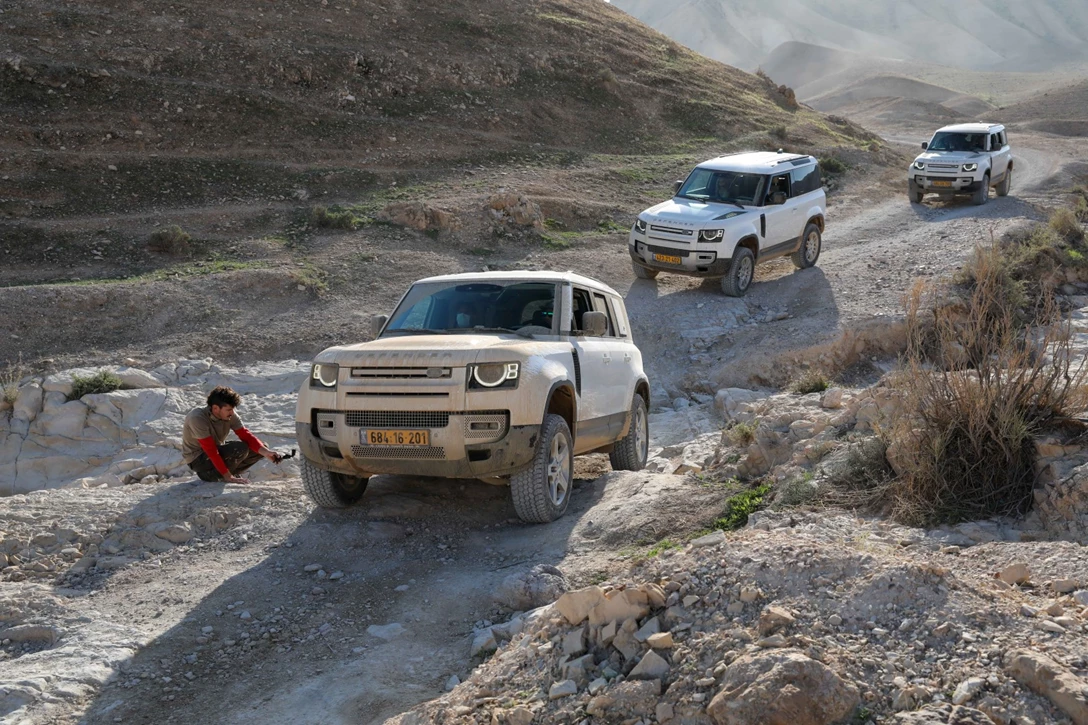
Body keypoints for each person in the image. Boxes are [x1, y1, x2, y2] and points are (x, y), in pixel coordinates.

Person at [182, 386, 282, 483]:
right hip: (198, 458)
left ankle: (225, 473)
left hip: (215, 450)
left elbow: (245, 435)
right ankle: (215, 475)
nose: (232, 412)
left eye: (233, 409)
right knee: (239, 448)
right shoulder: (197, 418)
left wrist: (267, 452)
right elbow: (210, 450)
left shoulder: (230, 415)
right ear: (216, 408)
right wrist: (228, 476)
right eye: (229, 409)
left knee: (261, 449)